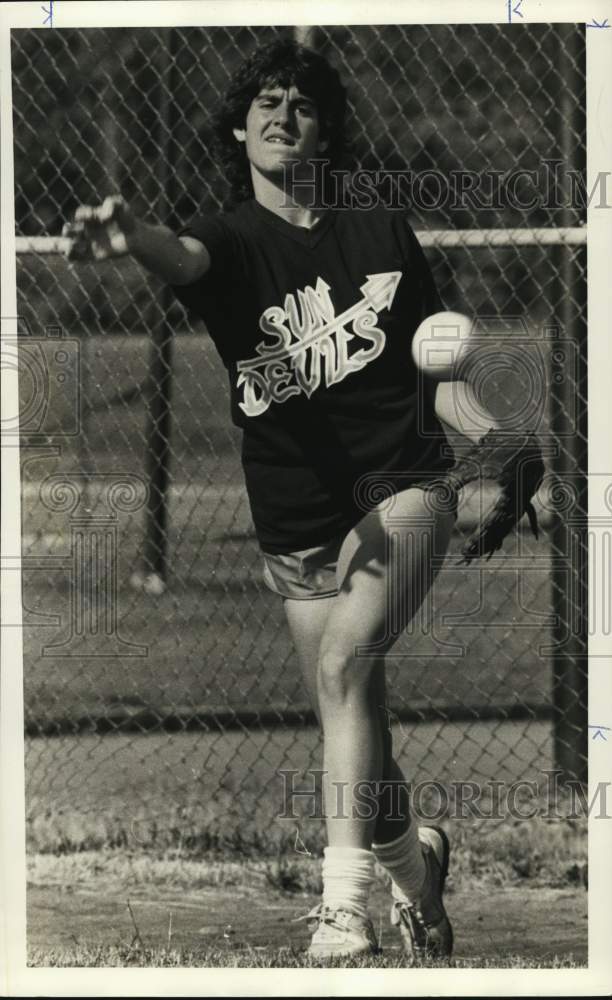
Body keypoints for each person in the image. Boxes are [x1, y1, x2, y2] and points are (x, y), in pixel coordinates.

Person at [63, 38, 542, 963]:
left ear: (326, 132)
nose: (284, 115)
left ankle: (342, 910)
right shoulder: (234, 240)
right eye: (267, 103)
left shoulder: (379, 232)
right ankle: (419, 870)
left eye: (303, 104)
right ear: (240, 128)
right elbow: (184, 257)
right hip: (295, 517)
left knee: (344, 668)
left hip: (403, 486)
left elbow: (438, 373)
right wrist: (134, 236)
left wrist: (492, 444)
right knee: (355, 722)